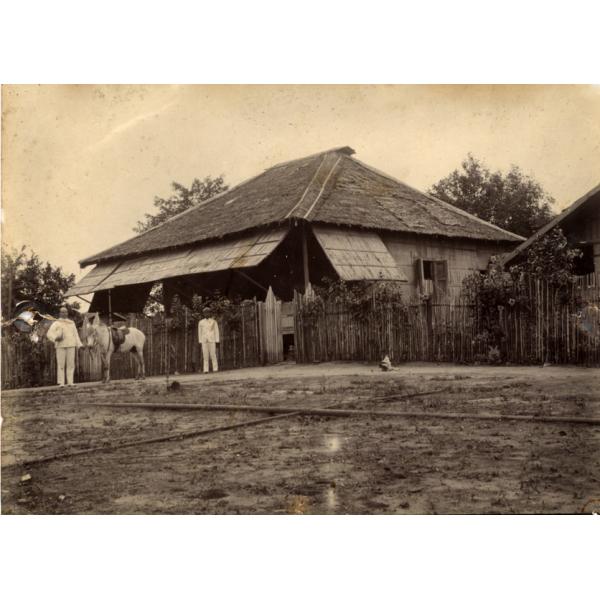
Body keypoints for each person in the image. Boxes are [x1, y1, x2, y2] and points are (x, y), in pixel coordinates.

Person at [46, 306, 83, 386]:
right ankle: (61, 383)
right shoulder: (56, 323)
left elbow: (76, 334)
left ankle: (70, 382)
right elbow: (49, 334)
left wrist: (79, 344)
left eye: (65, 312)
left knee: (71, 364)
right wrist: (55, 338)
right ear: (60, 313)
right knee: (61, 364)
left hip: (71, 344)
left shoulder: (71, 323)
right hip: (60, 346)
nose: (64, 313)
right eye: (62, 312)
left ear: (67, 313)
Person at [198, 307, 220, 373]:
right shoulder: (201, 322)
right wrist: (200, 341)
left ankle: (215, 368)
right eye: (205, 313)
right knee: (205, 355)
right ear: (203, 314)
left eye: (208, 312)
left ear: (210, 313)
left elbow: (216, 331)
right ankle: (206, 369)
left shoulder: (213, 321)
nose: (206, 314)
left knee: (213, 354)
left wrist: (217, 340)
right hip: (204, 340)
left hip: (212, 340)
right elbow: (200, 332)